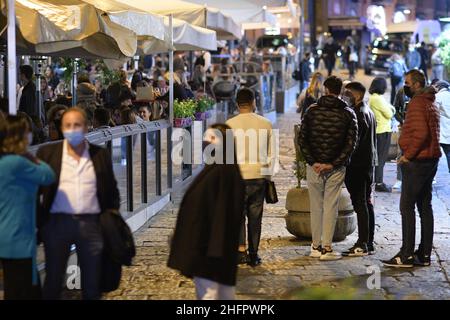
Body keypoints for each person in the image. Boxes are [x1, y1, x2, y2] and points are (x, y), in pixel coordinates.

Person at [36, 107, 120, 299]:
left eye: (77, 125)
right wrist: (41, 222)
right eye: (68, 125)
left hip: (91, 225)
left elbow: (111, 190)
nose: (72, 130)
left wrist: (108, 218)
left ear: (86, 127)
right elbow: (35, 190)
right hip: (56, 224)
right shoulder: (47, 153)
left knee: (92, 284)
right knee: (53, 282)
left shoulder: (100, 155)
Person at [168, 123, 245, 300]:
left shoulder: (222, 171)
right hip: (212, 248)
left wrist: (215, 250)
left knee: (210, 295)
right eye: (205, 137)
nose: (206, 141)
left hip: (210, 250)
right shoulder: (218, 167)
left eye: (212, 138)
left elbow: (223, 214)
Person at [382, 70, 441, 268]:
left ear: (416, 84)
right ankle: (424, 255)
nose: (405, 86)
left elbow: (422, 133)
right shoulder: (429, 100)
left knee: (406, 206)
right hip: (430, 160)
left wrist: (408, 155)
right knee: (425, 206)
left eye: (407, 82)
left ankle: (406, 254)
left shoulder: (417, 102)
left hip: (418, 162)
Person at [298, 76, 358, 260]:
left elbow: (302, 139)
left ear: (325, 89)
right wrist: (332, 163)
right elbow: (351, 144)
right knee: (331, 205)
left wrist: (313, 161)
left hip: (314, 166)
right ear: (340, 91)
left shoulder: (311, 110)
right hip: (335, 168)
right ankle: (327, 247)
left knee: (316, 206)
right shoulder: (348, 113)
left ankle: (315, 246)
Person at [0, 115, 55, 300]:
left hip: (8, 236)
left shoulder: (4, 162)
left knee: (15, 287)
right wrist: (31, 156)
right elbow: (47, 175)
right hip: (19, 236)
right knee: (24, 290)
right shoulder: (18, 163)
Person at [226, 88, 275, 267]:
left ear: (237, 103)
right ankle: (254, 254)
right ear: (253, 102)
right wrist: (268, 176)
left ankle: (240, 251)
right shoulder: (266, 123)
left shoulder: (229, 125)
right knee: (255, 216)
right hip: (258, 177)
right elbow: (272, 154)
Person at [341, 82, 377, 256]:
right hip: (368, 163)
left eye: (347, 93)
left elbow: (354, 143)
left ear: (356, 95)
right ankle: (368, 242)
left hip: (358, 165)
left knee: (360, 203)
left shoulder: (358, 114)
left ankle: (362, 243)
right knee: (366, 202)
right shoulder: (368, 111)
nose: (344, 96)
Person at [368, 77, 395, 193]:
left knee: (380, 158)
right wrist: (391, 110)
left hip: (382, 130)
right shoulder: (377, 99)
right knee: (380, 158)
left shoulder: (376, 98)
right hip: (381, 131)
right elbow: (389, 113)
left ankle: (378, 181)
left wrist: (391, 109)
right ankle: (379, 182)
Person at [433, 80, 450, 173]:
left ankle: (432, 176)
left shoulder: (438, 96)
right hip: (447, 131)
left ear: (439, 87)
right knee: (448, 153)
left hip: (441, 130)